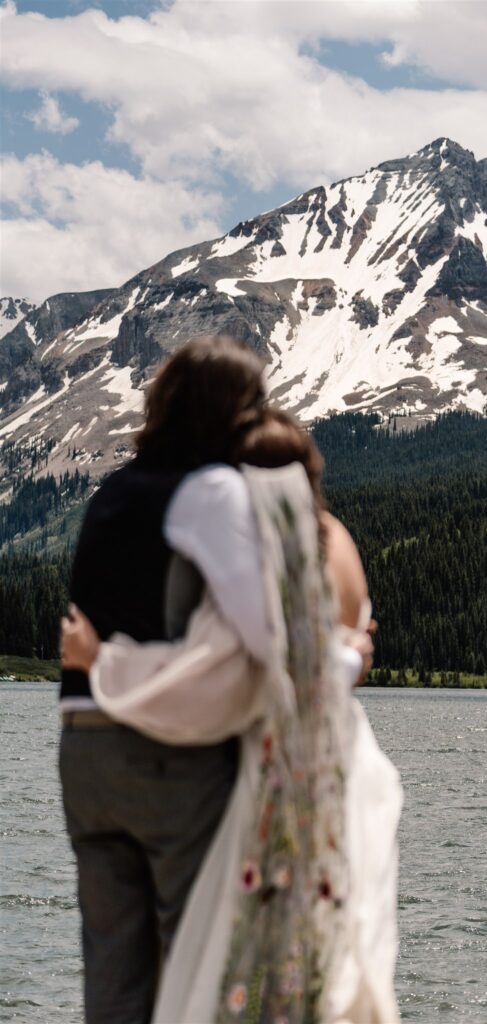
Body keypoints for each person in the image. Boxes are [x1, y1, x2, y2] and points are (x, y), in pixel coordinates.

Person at [59, 336, 374, 1024]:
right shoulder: (211, 491)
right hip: (166, 752)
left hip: (82, 748)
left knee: (111, 974)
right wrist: (350, 658)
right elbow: (275, 639)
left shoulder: (113, 489)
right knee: (189, 967)